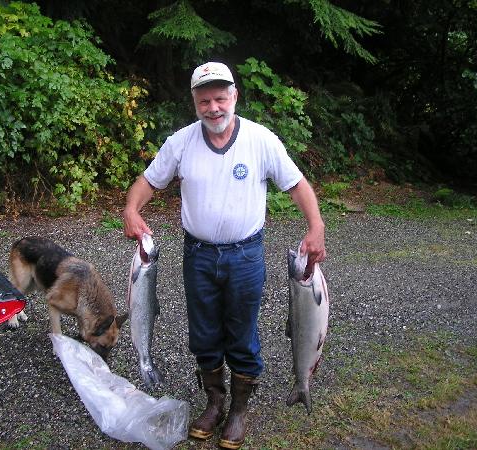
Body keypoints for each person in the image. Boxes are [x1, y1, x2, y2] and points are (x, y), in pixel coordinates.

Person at [122, 61, 326, 449]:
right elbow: (147, 182)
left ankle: (238, 410)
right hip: (197, 256)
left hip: (245, 256)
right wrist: (132, 209)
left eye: (220, 98)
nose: (213, 108)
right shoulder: (180, 142)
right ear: (194, 103)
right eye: (204, 101)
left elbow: (297, 184)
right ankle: (214, 403)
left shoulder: (261, 140)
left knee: (242, 334)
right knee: (203, 334)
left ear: (234, 97)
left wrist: (316, 226)